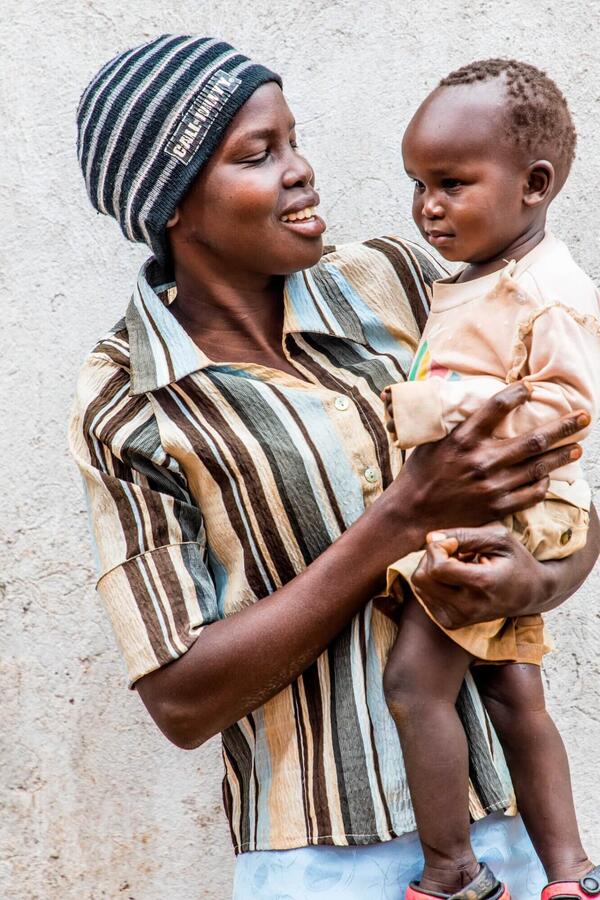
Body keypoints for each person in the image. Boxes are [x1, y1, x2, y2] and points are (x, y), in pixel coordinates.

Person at [68, 36, 599, 899]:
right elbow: (181, 700)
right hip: (321, 860)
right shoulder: (129, 397)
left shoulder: (396, 282)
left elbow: (552, 482)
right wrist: (398, 518)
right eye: (258, 154)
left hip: (512, 841)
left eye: (294, 140)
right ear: (174, 206)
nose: (302, 171)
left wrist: (538, 584)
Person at [382, 60, 600, 900]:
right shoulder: (484, 275)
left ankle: (452, 871)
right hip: (499, 507)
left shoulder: (549, 292)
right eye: (417, 184)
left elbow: (569, 409)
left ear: (535, 184)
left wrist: (439, 410)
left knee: (412, 682)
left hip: (507, 510)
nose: (427, 206)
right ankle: (572, 873)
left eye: (451, 183)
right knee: (512, 689)